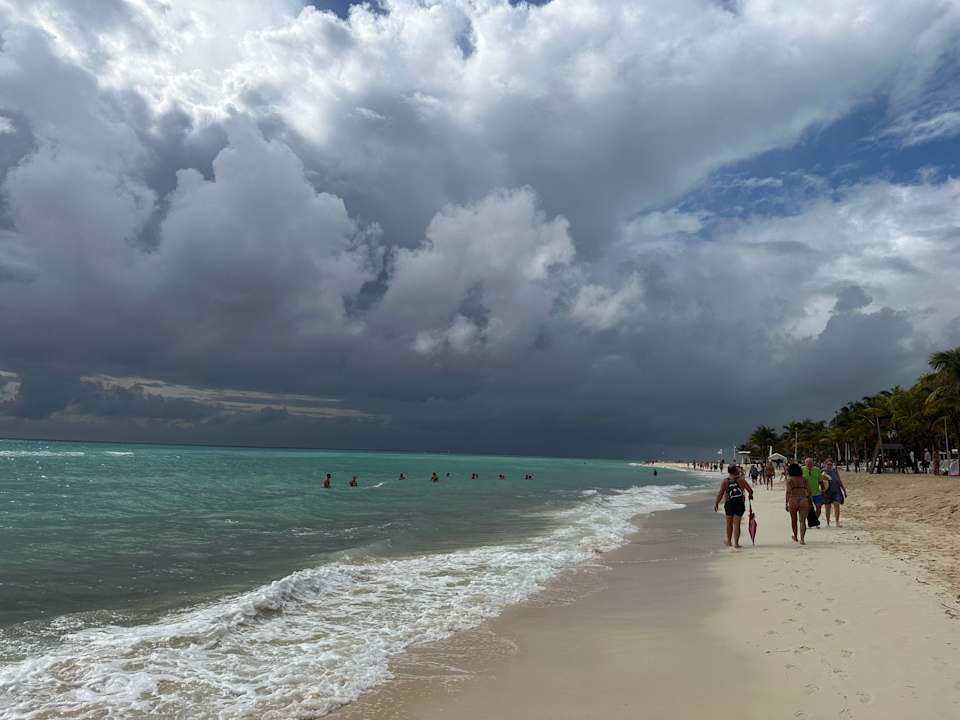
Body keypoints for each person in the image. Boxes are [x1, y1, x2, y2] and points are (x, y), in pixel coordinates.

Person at [713, 464, 754, 548]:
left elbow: (720, 493)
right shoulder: (741, 480)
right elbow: (750, 490)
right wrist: (750, 496)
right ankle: (736, 543)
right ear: (736, 470)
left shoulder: (725, 481)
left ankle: (729, 541)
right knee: (737, 524)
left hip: (729, 504)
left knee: (729, 524)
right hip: (739, 503)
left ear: (728, 471)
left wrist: (716, 503)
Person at [784, 462, 813, 544]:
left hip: (793, 499)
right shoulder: (804, 479)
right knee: (802, 521)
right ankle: (802, 539)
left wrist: (786, 503)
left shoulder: (789, 480)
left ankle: (796, 537)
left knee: (794, 520)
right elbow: (809, 492)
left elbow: (788, 492)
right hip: (803, 499)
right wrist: (810, 502)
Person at [820, 459, 847, 527]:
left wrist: (844, 490)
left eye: (831, 464)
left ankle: (837, 522)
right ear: (825, 464)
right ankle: (828, 523)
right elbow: (820, 482)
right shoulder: (823, 471)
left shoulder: (835, 470)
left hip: (836, 490)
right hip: (827, 492)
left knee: (837, 504)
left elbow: (838, 480)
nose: (829, 466)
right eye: (828, 464)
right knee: (827, 507)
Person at [802, 457, 825, 522]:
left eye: (811, 463)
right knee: (808, 508)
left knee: (819, 507)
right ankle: (809, 521)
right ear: (805, 463)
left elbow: (821, 481)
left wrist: (823, 490)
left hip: (816, 493)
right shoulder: (801, 469)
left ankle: (814, 520)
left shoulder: (817, 470)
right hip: (806, 493)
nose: (809, 465)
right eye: (808, 463)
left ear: (813, 463)